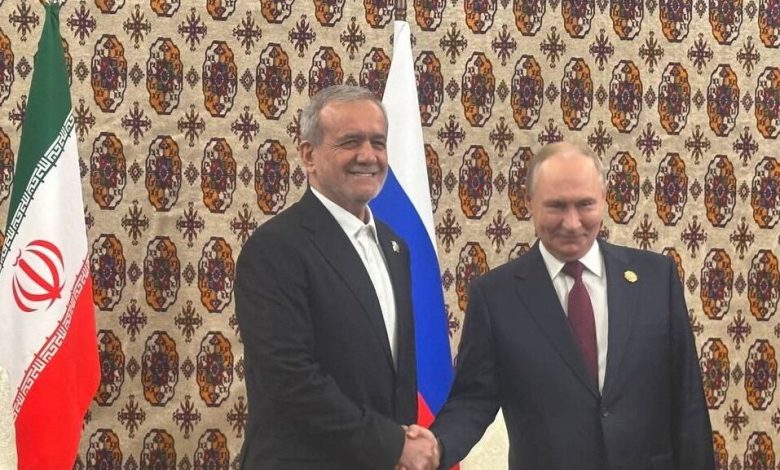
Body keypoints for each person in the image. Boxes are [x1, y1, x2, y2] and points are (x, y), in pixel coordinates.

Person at [428, 142, 715, 470]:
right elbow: (473, 400)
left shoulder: (656, 279)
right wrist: (436, 446)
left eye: (584, 204)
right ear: (529, 203)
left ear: (603, 199)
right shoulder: (495, 297)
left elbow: (687, 400)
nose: (572, 222)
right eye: (556, 206)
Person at [235, 84, 439, 470]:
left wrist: (401, 446)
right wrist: (392, 444)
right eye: (350, 142)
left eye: (378, 142)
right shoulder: (275, 248)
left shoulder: (395, 248)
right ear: (308, 155)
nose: (368, 156)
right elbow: (289, 380)